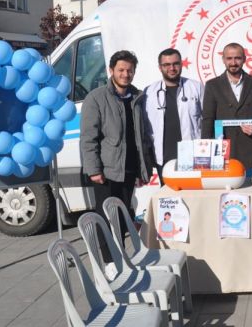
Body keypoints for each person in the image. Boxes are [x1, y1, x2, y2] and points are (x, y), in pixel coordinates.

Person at [80, 50, 153, 264]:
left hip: (128, 168)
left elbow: (140, 136)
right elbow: (88, 137)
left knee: (122, 216)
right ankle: (110, 263)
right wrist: (94, 170)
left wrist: (143, 168)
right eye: (121, 70)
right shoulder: (96, 98)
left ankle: (120, 256)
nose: (125, 74)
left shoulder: (137, 97)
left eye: (130, 70)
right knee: (106, 217)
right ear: (111, 70)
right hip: (106, 170)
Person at [201, 43, 252, 170]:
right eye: (229, 58)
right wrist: (206, 151)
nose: (233, 63)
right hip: (224, 150)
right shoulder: (212, 85)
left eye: (237, 58)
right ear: (223, 59)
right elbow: (208, 119)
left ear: (244, 59)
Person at [143, 48, 204, 172]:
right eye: (166, 65)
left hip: (193, 155)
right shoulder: (149, 91)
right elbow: (145, 125)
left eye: (175, 64)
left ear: (181, 64)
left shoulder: (196, 87)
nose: (172, 68)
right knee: (167, 185)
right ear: (160, 67)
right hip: (163, 157)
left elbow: (208, 118)